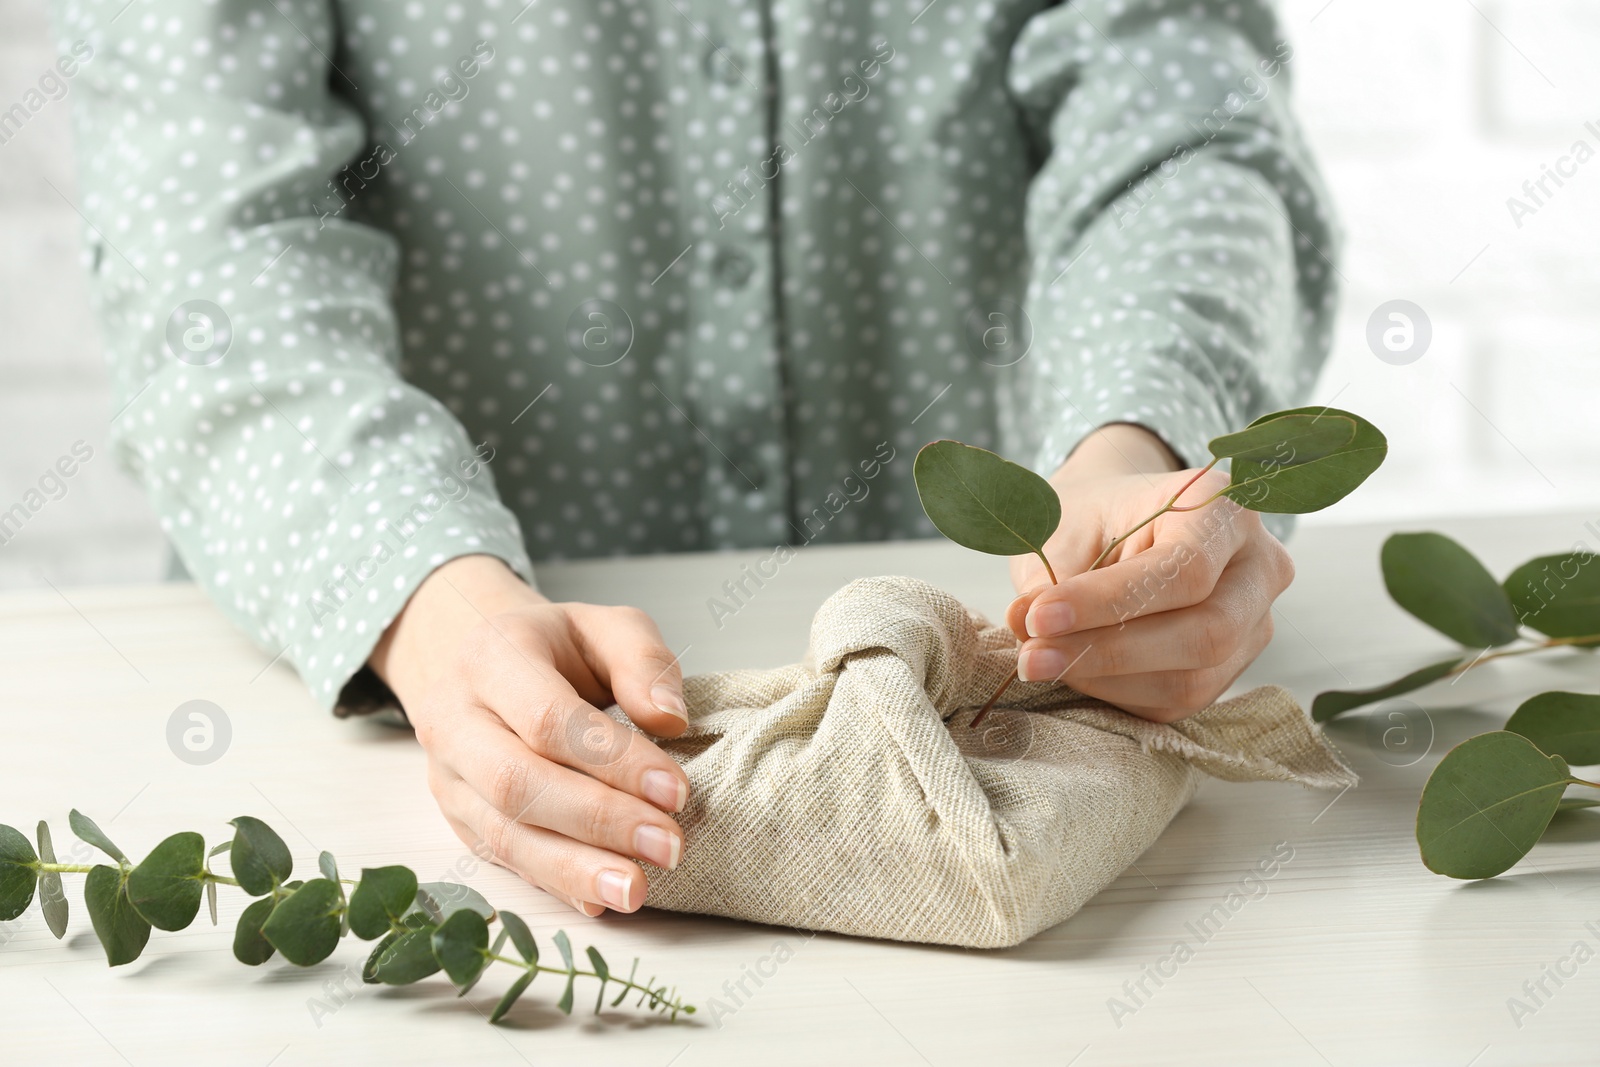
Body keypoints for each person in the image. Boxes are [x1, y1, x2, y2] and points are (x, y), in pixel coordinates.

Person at [54, 0, 1334, 918]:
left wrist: (1140, 436)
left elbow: (1178, 110)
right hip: (392, 702)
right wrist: (419, 589)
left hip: (998, 661)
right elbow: (215, 253)